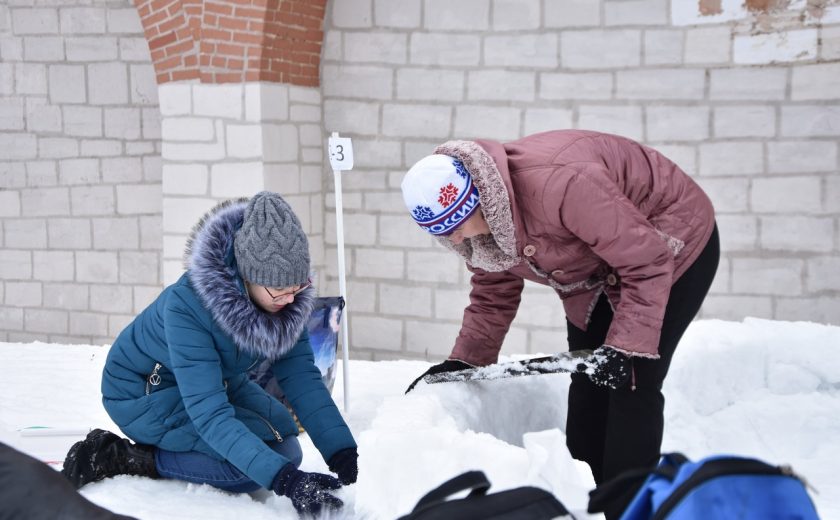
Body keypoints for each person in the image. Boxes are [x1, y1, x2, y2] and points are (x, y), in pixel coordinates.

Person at [400, 130, 719, 517]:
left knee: (632, 380)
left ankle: (628, 509)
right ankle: (583, 502)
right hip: (601, 264)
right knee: (589, 379)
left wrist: (626, 348)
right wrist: (466, 359)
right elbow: (494, 290)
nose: (453, 239)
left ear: (479, 201)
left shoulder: (563, 185)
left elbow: (647, 260)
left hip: (671, 242)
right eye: (440, 232)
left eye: (456, 225)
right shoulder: (476, 231)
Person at [60, 192, 359, 516]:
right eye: (279, 290)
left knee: (286, 445)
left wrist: (342, 451)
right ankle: (127, 458)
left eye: (297, 287)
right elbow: (210, 414)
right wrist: (287, 482)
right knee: (245, 471)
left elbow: (302, 378)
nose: (290, 299)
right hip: (143, 390)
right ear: (247, 275)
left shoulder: (286, 301)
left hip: (215, 379)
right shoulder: (188, 306)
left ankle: (182, 451)